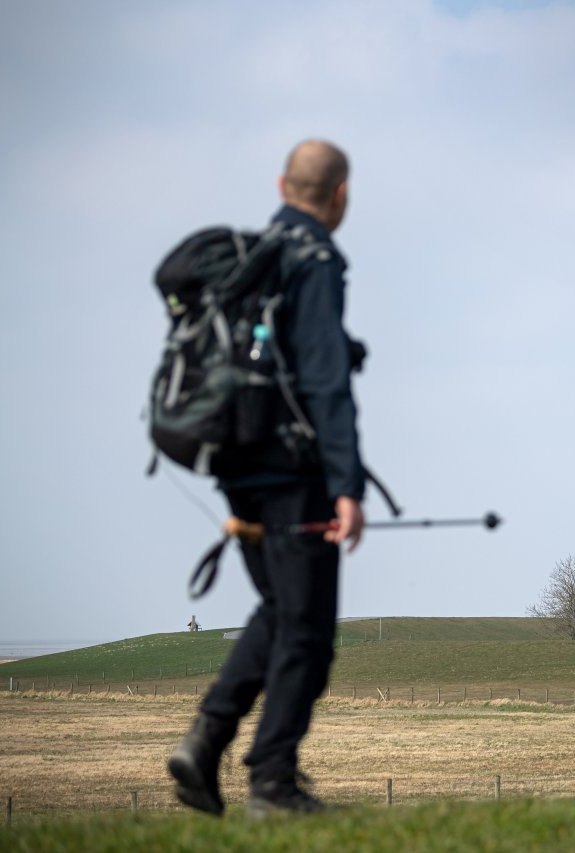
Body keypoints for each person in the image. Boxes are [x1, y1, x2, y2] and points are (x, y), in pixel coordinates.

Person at [167, 139, 366, 818]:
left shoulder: (254, 258)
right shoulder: (313, 261)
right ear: (339, 194)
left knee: (282, 608)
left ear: (283, 185)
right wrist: (347, 484)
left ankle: (206, 740)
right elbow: (324, 381)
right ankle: (272, 783)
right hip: (290, 471)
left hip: (235, 462)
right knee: (307, 628)